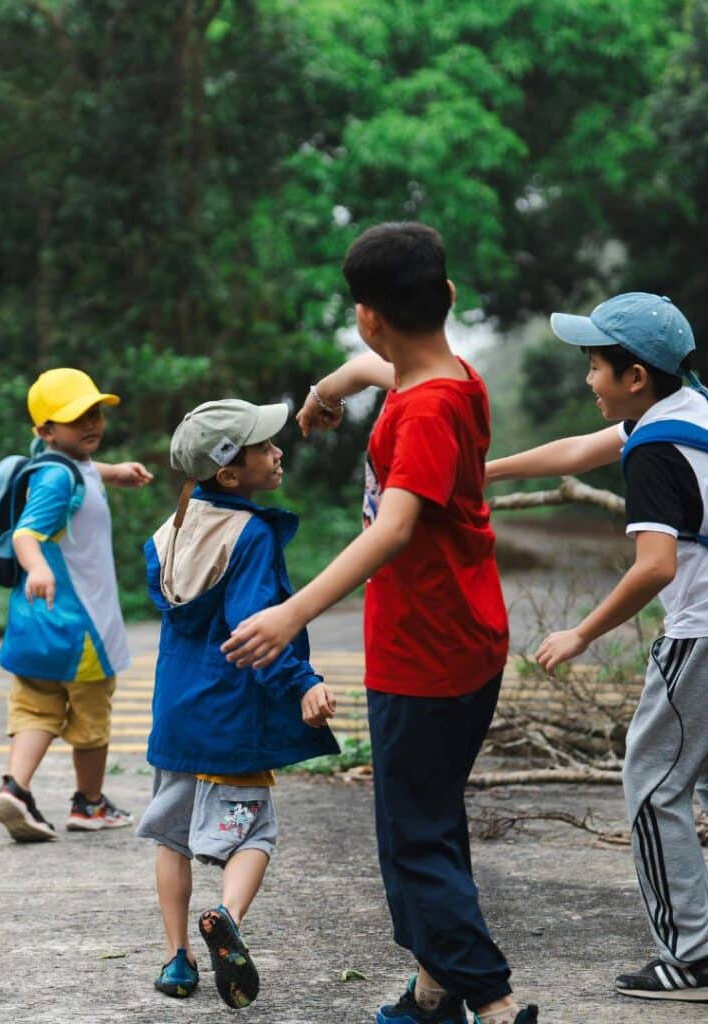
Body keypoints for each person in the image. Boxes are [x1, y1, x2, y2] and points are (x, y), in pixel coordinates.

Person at [222, 222, 538, 1024]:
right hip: (466, 637)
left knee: (413, 842)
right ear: (447, 297)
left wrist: (292, 611)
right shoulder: (452, 378)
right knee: (431, 819)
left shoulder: (424, 411)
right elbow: (372, 369)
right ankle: (432, 996)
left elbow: (393, 529)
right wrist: (324, 394)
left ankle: (495, 1003)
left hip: (426, 653)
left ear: (368, 315)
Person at [486, 292, 708, 1002]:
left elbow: (655, 567)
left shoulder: (651, 452)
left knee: (653, 784)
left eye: (595, 366)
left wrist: (581, 632)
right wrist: (482, 472)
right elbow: (577, 450)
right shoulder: (695, 411)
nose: (588, 379)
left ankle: (695, 957)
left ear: (635, 375)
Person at [135, 397, 340, 1007]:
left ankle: (177, 959)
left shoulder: (167, 535)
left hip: (176, 718)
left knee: (172, 837)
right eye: (264, 447)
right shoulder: (251, 533)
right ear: (229, 474)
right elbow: (254, 629)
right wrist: (302, 682)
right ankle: (226, 916)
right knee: (255, 834)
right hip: (231, 719)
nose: (277, 453)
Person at [0, 367, 153, 842]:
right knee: (91, 718)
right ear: (45, 431)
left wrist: (117, 473)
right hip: (80, 627)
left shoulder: (57, 465)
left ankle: (15, 789)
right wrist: (38, 567)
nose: (91, 424)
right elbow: (26, 534)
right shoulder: (57, 481)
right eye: (76, 418)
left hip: (34, 623)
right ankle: (90, 803)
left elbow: (84, 471)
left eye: (94, 413)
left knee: (36, 707)